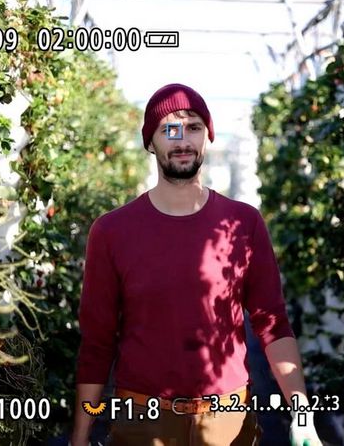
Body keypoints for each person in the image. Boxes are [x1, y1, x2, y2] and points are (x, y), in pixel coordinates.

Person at [70, 83, 322, 446]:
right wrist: (79, 437)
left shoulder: (243, 223)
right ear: (150, 141)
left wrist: (302, 413)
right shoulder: (112, 231)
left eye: (194, 127)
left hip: (227, 423)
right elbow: (97, 340)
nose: (183, 140)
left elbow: (272, 322)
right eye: (169, 129)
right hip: (144, 422)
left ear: (207, 138)